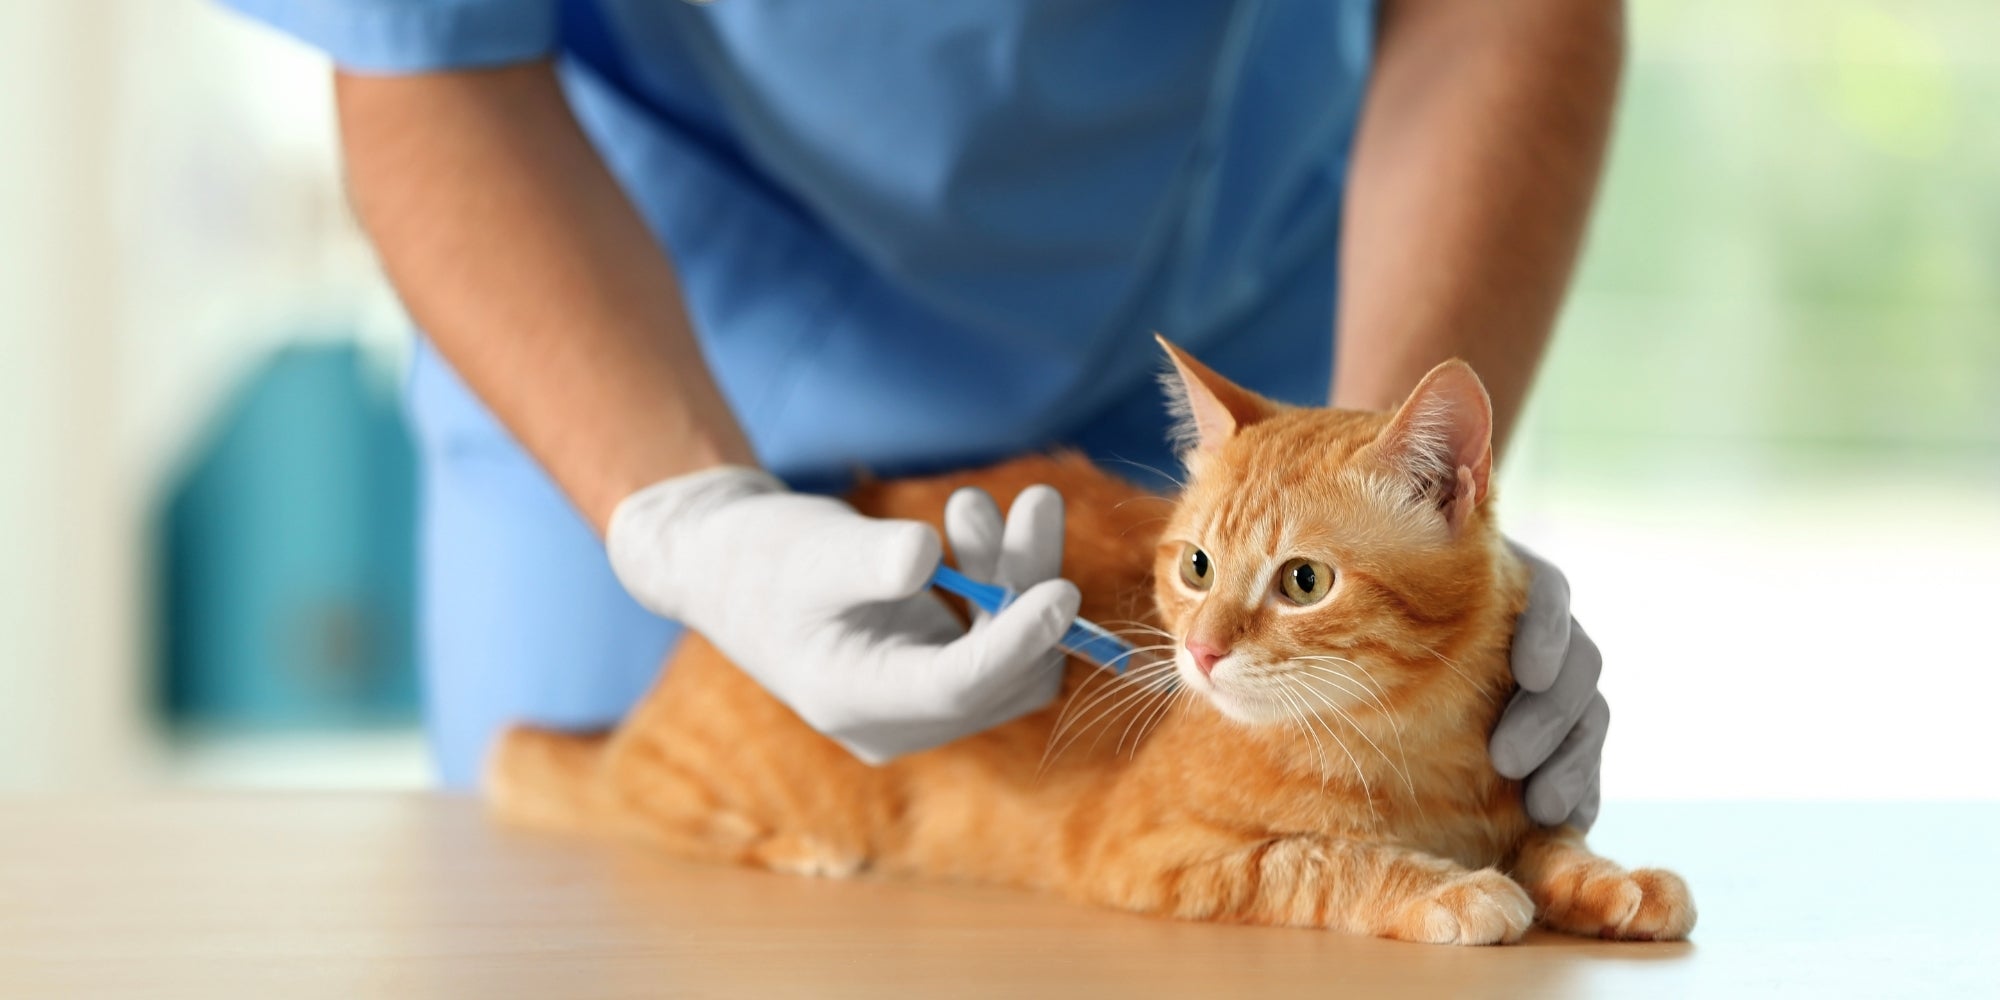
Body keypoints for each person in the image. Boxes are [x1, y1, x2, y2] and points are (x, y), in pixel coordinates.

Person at [226, 0, 1620, 827]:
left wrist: (1408, 505)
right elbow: (423, 50)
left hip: (1224, 343)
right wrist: (689, 518)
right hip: (637, 311)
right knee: (605, 883)